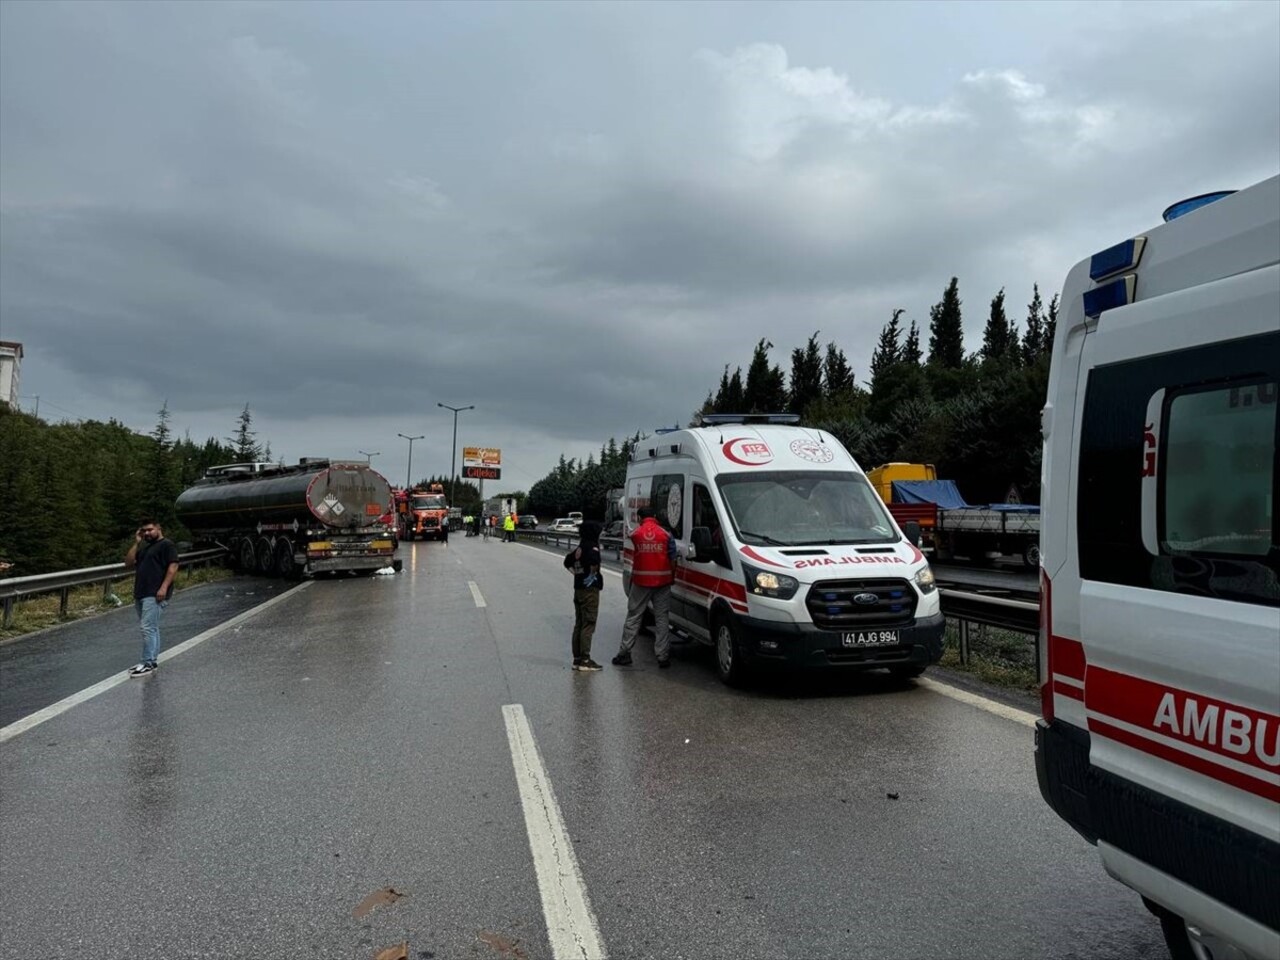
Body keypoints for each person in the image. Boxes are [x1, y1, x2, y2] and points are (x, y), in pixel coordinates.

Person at [613, 506, 677, 669]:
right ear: (655, 516)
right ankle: (663, 656)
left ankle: (625, 653)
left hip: (641, 582)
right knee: (662, 618)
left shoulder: (636, 534)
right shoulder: (666, 534)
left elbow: (631, 537)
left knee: (634, 616)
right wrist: (672, 577)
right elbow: (673, 558)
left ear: (640, 518)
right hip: (663, 582)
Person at [123, 519, 179, 677]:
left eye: (150, 530)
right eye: (144, 531)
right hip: (141, 593)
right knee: (151, 628)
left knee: (147, 628)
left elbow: (173, 567)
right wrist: (137, 543)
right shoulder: (146, 548)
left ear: (158, 528)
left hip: (155, 593)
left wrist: (163, 587)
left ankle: (146, 662)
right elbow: (128, 563)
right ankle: (151, 661)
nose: (147, 533)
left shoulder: (166, 545)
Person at [564, 521, 604, 671]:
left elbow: (567, 561)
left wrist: (577, 574)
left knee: (579, 623)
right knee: (589, 623)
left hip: (579, 588)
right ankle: (585, 660)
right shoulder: (592, 547)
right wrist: (592, 575)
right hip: (589, 589)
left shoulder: (579, 547)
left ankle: (577, 658)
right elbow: (594, 562)